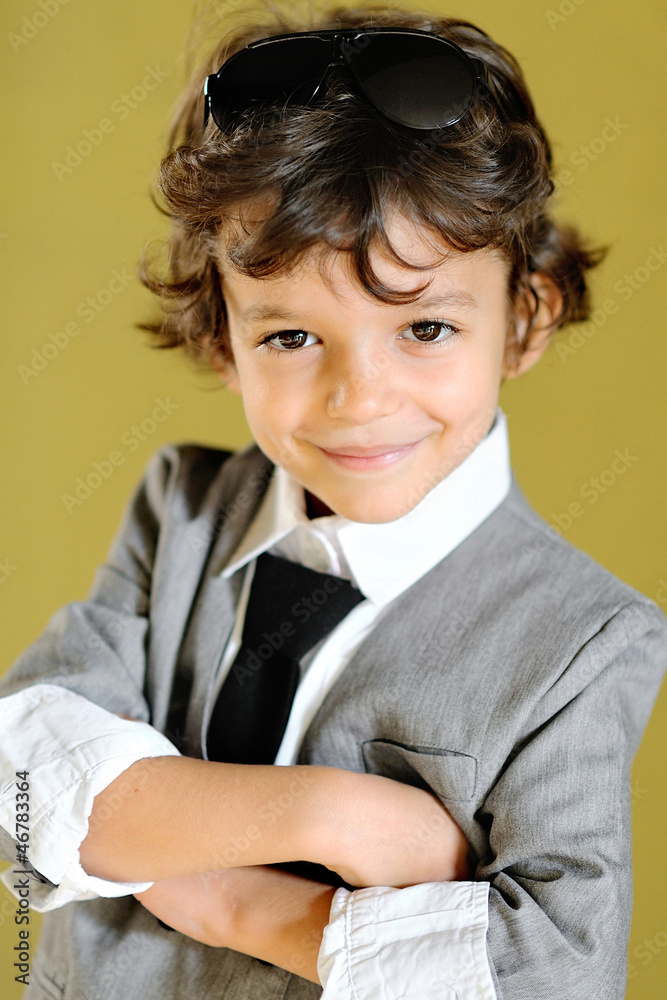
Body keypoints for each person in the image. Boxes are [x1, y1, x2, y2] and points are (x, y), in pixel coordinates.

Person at [1, 4, 665, 998]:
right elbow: (24, 781)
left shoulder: (583, 640)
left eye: (426, 328)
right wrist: (340, 818)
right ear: (223, 339)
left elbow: (552, 968)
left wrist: (229, 897)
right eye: (291, 338)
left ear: (524, 315)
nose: (359, 397)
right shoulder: (180, 510)